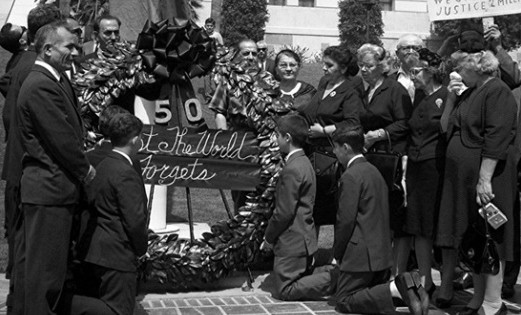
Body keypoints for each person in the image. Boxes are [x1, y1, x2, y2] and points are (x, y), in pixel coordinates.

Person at [15, 21, 96, 315]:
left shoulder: (55, 80)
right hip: (49, 189)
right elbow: (61, 138)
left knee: (48, 270)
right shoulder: (40, 85)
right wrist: (85, 169)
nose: (75, 52)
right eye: (68, 47)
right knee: (45, 275)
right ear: (48, 49)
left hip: (55, 190)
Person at [435, 51, 517, 315]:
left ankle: (493, 302)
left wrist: (484, 179)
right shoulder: (470, 92)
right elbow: (447, 127)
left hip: (488, 178)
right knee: (475, 237)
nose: (456, 74)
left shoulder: (498, 91)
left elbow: (498, 136)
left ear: (477, 68)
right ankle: (480, 297)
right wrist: (451, 96)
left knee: (491, 237)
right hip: (464, 179)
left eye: (460, 69)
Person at [0, 5, 61, 314]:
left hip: (20, 168)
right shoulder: (32, 69)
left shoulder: (20, 65)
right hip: (30, 171)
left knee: (23, 253)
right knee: (29, 254)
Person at [331, 123, 429, 315]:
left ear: (346, 147)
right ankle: (403, 286)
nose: (334, 152)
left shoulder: (351, 176)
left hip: (360, 256)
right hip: (381, 255)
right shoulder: (374, 171)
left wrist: (338, 253)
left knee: (343, 300)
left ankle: (395, 288)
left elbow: (346, 221)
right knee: (366, 293)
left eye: (335, 147)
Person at [66, 113, 148, 315]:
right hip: (117, 254)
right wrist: (141, 250)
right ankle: (64, 305)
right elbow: (135, 220)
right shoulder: (126, 172)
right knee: (120, 310)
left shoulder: (103, 165)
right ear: (135, 140)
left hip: (95, 250)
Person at [260, 114, 332, 301]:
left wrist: (268, 238)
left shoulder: (292, 168)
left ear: (288, 138)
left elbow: (283, 213)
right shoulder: (305, 162)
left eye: (278, 135)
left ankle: (338, 278)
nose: (275, 139)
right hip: (303, 238)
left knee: (285, 290)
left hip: (292, 241)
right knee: (301, 279)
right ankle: (333, 274)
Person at [357, 43, 413, 276]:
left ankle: (395, 269)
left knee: (391, 212)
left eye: (369, 66)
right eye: (361, 66)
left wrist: (379, 134)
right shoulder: (360, 89)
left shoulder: (394, 89)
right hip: (367, 156)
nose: (364, 70)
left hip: (390, 157)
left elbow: (405, 122)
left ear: (381, 65)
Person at [396, 48, 448, 297]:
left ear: (431, 72)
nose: (412, 75)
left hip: (435, 168)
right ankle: (425, 281)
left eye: (417, 71)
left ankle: (446, 281)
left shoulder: (448, 96)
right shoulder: (418, 95)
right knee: (417, 225)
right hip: (416, 166)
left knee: (436, 226)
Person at [299, 45, 362, 231]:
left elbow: (352, 123)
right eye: (323, 64)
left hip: (332, 157)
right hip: (313, 152)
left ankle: (337, 253)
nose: (324, 68)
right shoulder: (323, 83)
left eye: (329, 65)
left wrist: (325, 130)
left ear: (342, 68)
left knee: (335, 205)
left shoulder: (350, 90)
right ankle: (311, 250)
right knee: (312, 204)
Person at [393, 34, 424, 102]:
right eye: (406, 48)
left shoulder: (431, 78)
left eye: (416, 48)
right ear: (397, 53)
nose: (411, 51)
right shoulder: (389, 80)